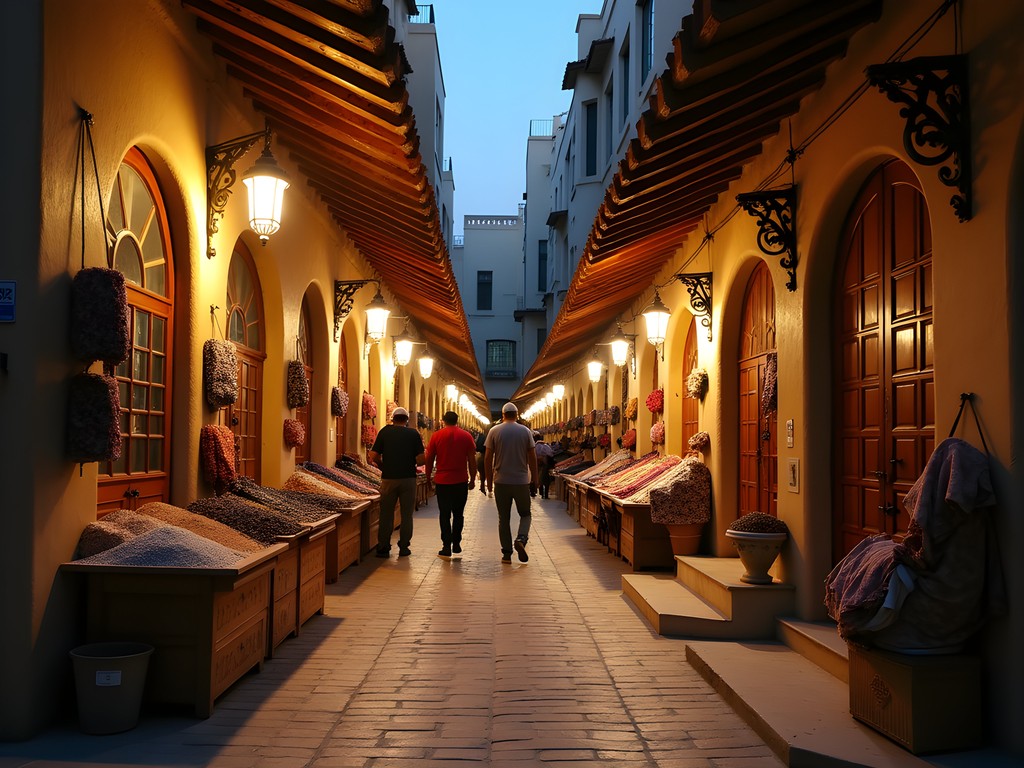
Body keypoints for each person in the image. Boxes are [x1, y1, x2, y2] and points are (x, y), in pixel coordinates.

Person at [484, 402, 538, 564]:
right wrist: (535, 478)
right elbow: (532, 457)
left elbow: (487, 458)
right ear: (517, 414)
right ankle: (521, 539)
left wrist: (488, 481)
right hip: (521, 481)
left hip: (501, 481)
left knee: (504, 518)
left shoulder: (494, 431)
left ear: (503, 415)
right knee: (525, 514)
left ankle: (506, 553)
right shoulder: (525, 431)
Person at [368, 407, 425, 558]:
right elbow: (421, 460)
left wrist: (383, 465)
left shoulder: (385, 432)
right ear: (406, 420)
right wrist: (410, 461)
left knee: (386, 514)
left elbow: (373, 455)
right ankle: (404, 547)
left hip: (388, 479)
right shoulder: (414, 434)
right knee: (407, 515)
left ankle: (384, 547)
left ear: (392, 419)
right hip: (408, 479)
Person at [424, 410, 477, 558]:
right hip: (460, 480)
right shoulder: (466, 436)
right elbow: (472, 460)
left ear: (443, 420)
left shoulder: (436, 436)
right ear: (457, 420)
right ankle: (457, 543)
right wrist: (473, 478)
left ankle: (446, 545)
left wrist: (428, 477)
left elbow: (429, 459)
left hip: (443, 481)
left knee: (444, 514)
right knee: (459, 514)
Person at [533, 432, 554, 499]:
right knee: (546, 480)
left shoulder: (535, 447)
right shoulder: (546, 446)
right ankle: (546, 495)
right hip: (546, 465)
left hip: (538, 465)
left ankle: (541, 493)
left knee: (540, 479)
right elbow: (551, 454)